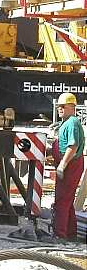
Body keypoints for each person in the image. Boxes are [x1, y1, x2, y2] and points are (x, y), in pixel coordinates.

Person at [52, 92, 85, 240]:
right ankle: (71, 234)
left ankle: (60, 235)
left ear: (72, 107)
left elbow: (73, 146)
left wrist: (62, 165)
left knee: (62, 201)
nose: (60, 109)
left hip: (71, 165)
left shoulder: (72, 123)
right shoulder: (65, 123)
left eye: (63, 106)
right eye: (59, 106)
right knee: (67, 200)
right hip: (68, 164)